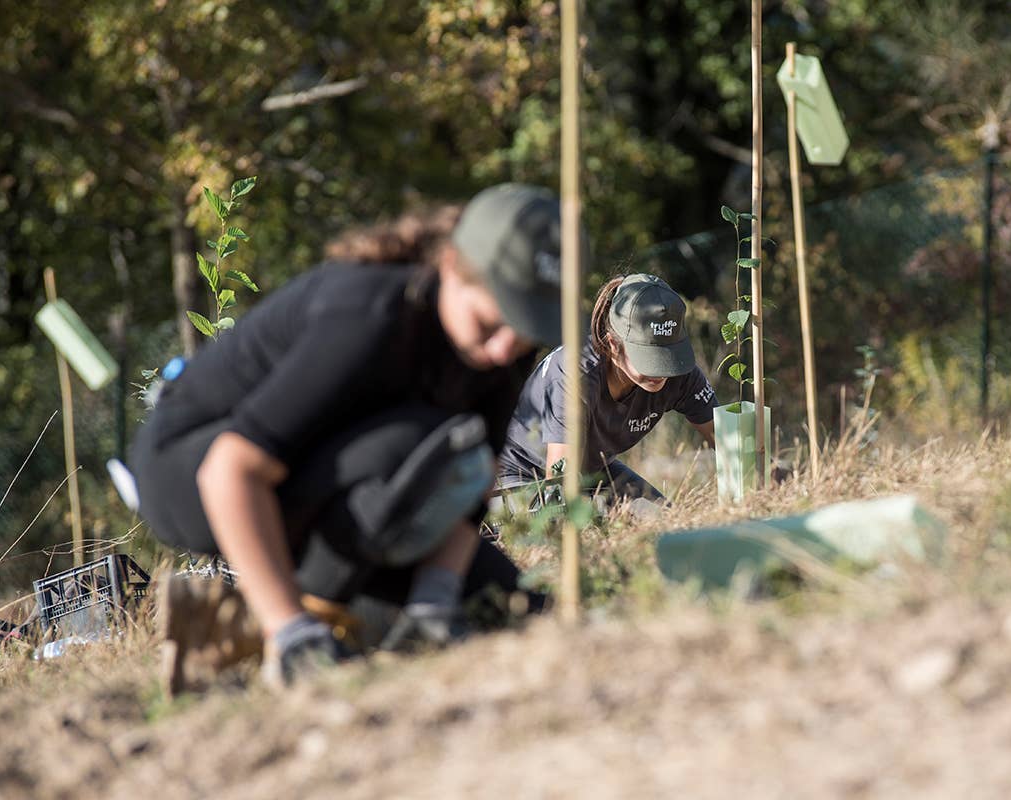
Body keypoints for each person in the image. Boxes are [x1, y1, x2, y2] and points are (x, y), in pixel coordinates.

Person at [130, 183, 575, 684]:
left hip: (329, 472)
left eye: (525, 330)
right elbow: (230, 470)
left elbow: (474, 478)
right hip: (191, 472)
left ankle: (229, 634)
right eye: (489, 323)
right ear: (450, 266)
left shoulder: (504, 346)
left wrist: (436, 602)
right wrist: (293, 632)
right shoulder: (369, 315)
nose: (503, 351)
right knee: (418, 444)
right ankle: (278, 628)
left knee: (515, 605)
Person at [496, 273, 717, 507]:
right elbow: (560, 488)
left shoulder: (679, 371)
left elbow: (729, 442)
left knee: (665, 517)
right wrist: (608, 514)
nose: (662, 370)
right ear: (613, 344)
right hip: (520, 474)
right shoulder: (574, 376)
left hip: (592, 470)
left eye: (669, 355)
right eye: (649, 359)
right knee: (589, 523)